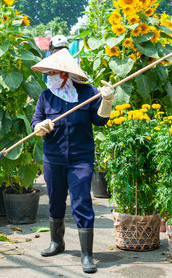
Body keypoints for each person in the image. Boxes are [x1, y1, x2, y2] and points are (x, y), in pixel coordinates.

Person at [30, 44, 114, 274]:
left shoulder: (87, 93)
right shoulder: (46, 96)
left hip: (80, 158)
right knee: (56, 201)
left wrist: (107, 101)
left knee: (81, 203)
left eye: (55, 73)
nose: (51, 77)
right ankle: (57, 242)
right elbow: (34, 124)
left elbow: (100, 121)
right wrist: (41, 126)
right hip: (53, 158)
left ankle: (87, 255)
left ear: (67, 74)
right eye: (49, 73)